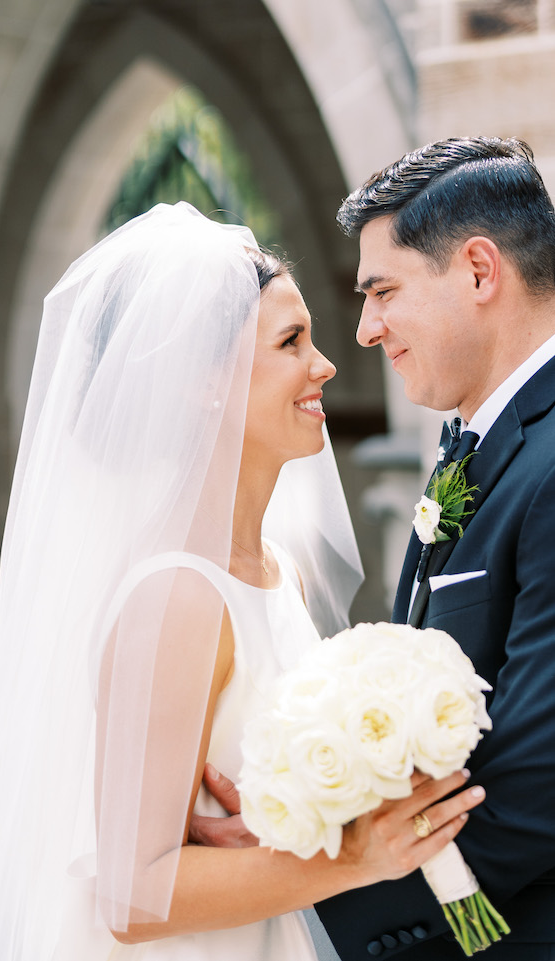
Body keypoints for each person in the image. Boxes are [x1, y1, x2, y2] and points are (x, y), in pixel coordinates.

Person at [0, 203, 481, 961]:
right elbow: (128, 894)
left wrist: (306, 823)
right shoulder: (176, 595)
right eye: (291, 342)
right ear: (203, 382)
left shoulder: (282, 572)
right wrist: (351, 858)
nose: (326, 367)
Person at [195, 137, 555, 960]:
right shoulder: (477, 443)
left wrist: (308, 900)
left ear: (477, 271)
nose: (364, 331)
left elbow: (536, 792)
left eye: (382, 291)